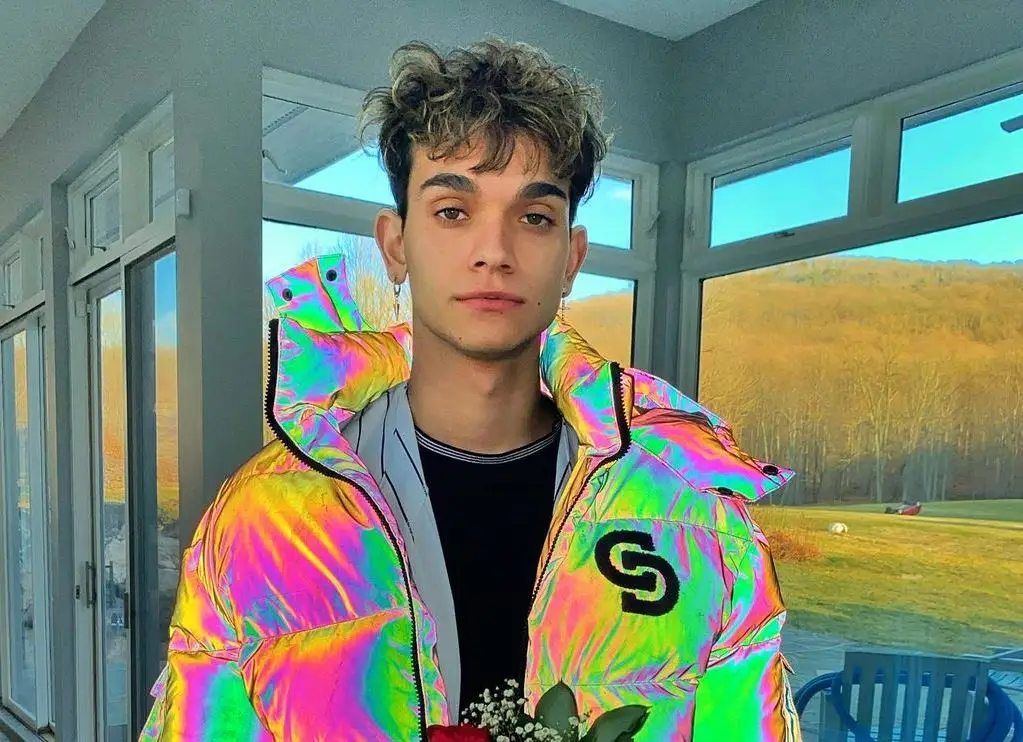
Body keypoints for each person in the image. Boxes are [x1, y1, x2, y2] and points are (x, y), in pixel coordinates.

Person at [141, 38, 802, 741]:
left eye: (535, 217)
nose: (494, 251)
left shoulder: (701, 520)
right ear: (396, 245)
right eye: (453, 211)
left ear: (571, 258)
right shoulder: (257, 522)